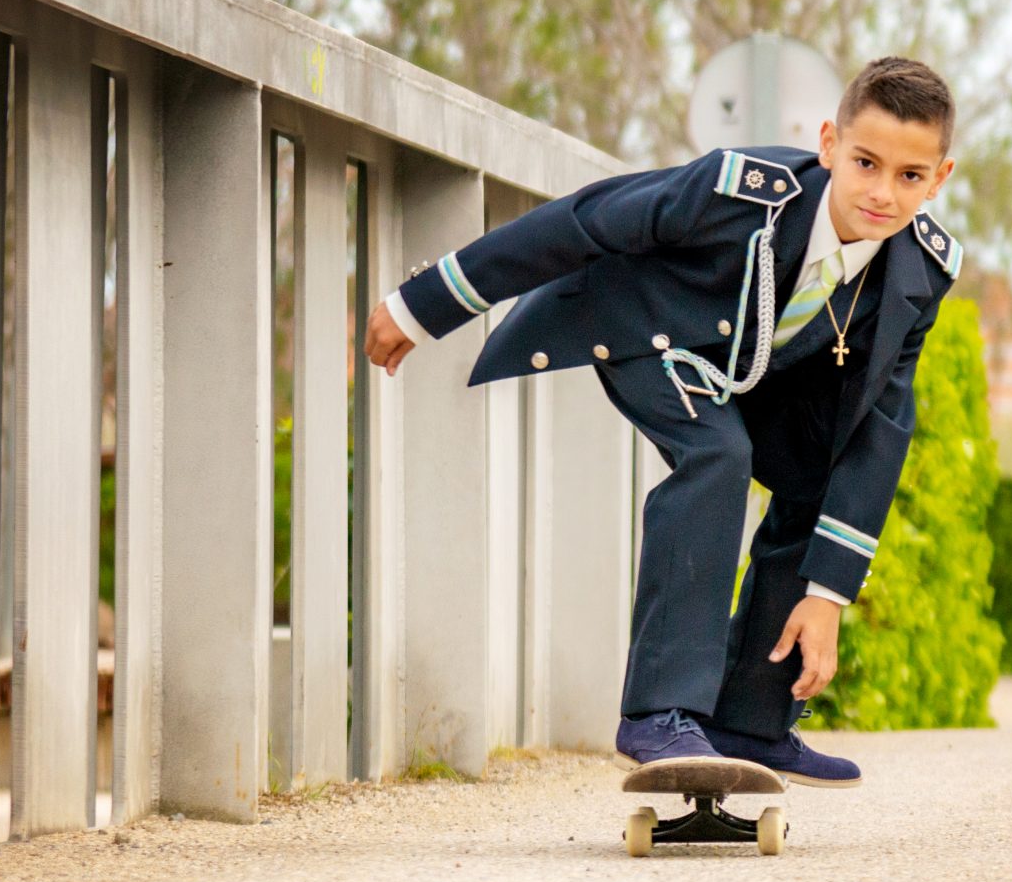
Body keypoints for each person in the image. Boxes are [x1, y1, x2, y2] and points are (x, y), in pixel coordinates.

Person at [364, 56, 964, 786]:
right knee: (717, 455)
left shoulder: (920, 273)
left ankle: (751, 718)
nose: (881, 192)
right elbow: (585, 219)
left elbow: (880, 425)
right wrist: (428, 303)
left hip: (750, 379)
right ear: (830, 143)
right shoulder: (743, 192)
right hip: (649, 334)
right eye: (866, 162)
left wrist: (828, 593)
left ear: (939, 179)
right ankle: (657, 714)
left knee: (820, 472)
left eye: (909, 176)